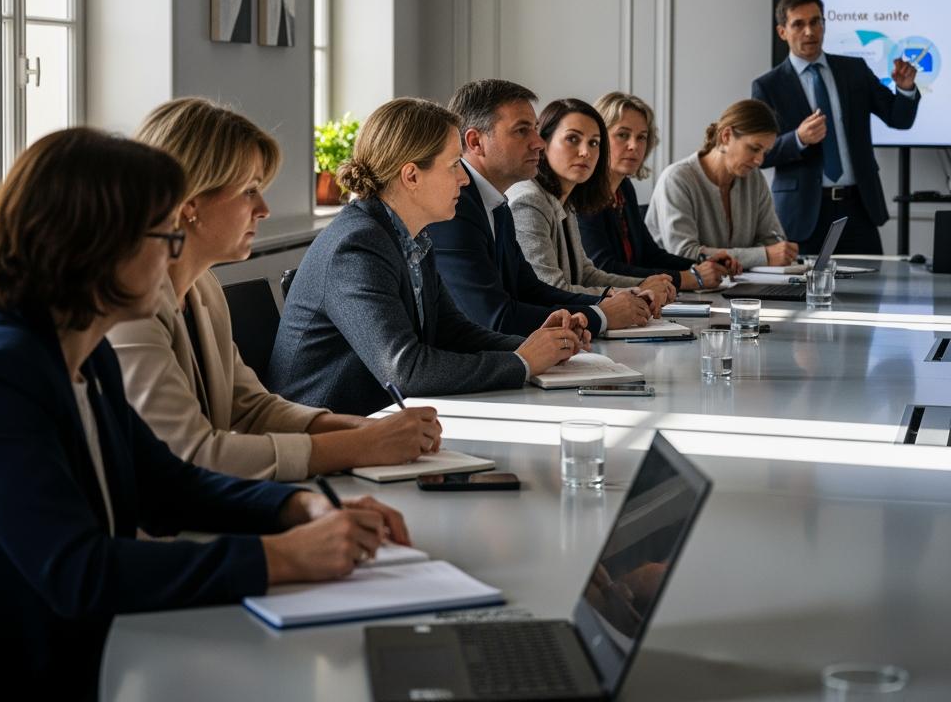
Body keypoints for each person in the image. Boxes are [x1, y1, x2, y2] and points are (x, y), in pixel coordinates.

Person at [0, 128, 408, 698]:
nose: (175, 251)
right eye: (163, 236)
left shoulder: (83, 347)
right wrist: (276, 558)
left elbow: (167, 483)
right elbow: (79, 571)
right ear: (94, 246)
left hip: (85, 643)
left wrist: (297, 507)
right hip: (8, 671)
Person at [108, 97, 442, 482]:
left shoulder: (204, 286)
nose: (264, 208)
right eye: (249, 190)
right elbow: (191, 453)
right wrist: (362, 446)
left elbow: (252, 408)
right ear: (191, 202)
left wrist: (365, 430)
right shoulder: (128, 305)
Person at [270, 97, 586, 416]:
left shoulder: (412, 234)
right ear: (411, 177)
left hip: (382, 420)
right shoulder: (357, 246)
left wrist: (538, 344)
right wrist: (523, 361)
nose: (464, 179)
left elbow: (453, 331)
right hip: (327, 435)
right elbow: (405, 370)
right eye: (453, 166)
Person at [428, 79, 655, 338]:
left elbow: (531, 289)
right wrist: (602, 315)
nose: (539, 142)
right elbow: (494, 318)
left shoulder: (495, 201)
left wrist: (607, 301)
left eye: (535, 129)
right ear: (476, 141)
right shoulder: (455, 205)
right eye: (522, 131)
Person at [752, 0, 920, 254]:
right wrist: (799, 139)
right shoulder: (767, 86)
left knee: (870, 290)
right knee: (802, 293)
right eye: (799, 24)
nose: (809, 31)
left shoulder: (854, 70)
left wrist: (906, 89)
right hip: (803, 214)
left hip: (859, 207)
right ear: (782, 32)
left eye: (816, 21)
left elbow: (898, 119)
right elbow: (761, 155)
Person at [506, 98, 677, 309]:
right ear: (544, 143)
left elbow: (585, 273)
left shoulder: (565, 200)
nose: (586, 151)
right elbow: (550, 288)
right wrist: (631, 292)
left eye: (594, 142)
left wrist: (642, 285)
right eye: (572, 139)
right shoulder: (529, 201)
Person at [577, 92, 733, 291]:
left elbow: (649, 255)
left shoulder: (624, 188)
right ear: (597, 138)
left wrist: (703, 264)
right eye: (622, 135)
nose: (634, 145)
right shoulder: (583, 192)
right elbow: (604, 268)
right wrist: (685, 278)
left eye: (641, 137)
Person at [645, 99, 798, 270]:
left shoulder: (754, 179)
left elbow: (773, 240)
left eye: (765, 152)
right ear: (726, 136)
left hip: (735, 288)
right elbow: (684, 253)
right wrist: (763, 255)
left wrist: (768, 253)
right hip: (679, 292)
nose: (760, 160)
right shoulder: (676, 180)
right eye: (754, 148)